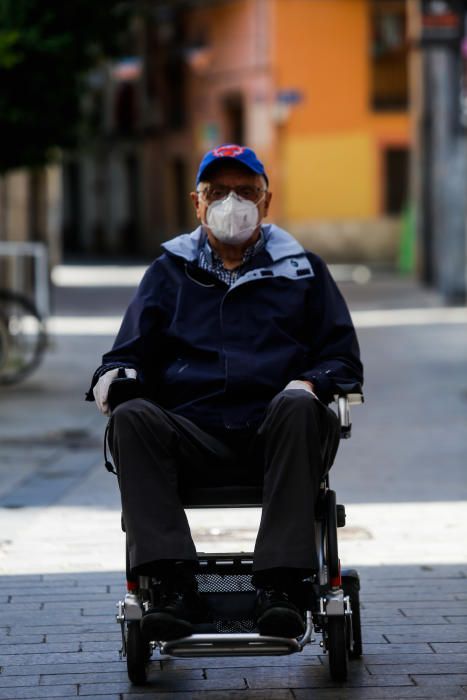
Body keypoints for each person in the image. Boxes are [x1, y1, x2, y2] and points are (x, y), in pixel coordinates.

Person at [87, 144, 363, 642]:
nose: (231, 203)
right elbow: (123, 356)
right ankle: (172, 587)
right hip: (192, 435)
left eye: (245, 191)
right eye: (218, 192)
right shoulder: (168, 271)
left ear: (266, 200)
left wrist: (309, 383)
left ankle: (280, 587)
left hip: (279, 435)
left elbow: (342, 359)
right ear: (197, 203)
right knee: (132, 419)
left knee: (299, 403)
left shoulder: (302, 270)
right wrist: (118, 381)